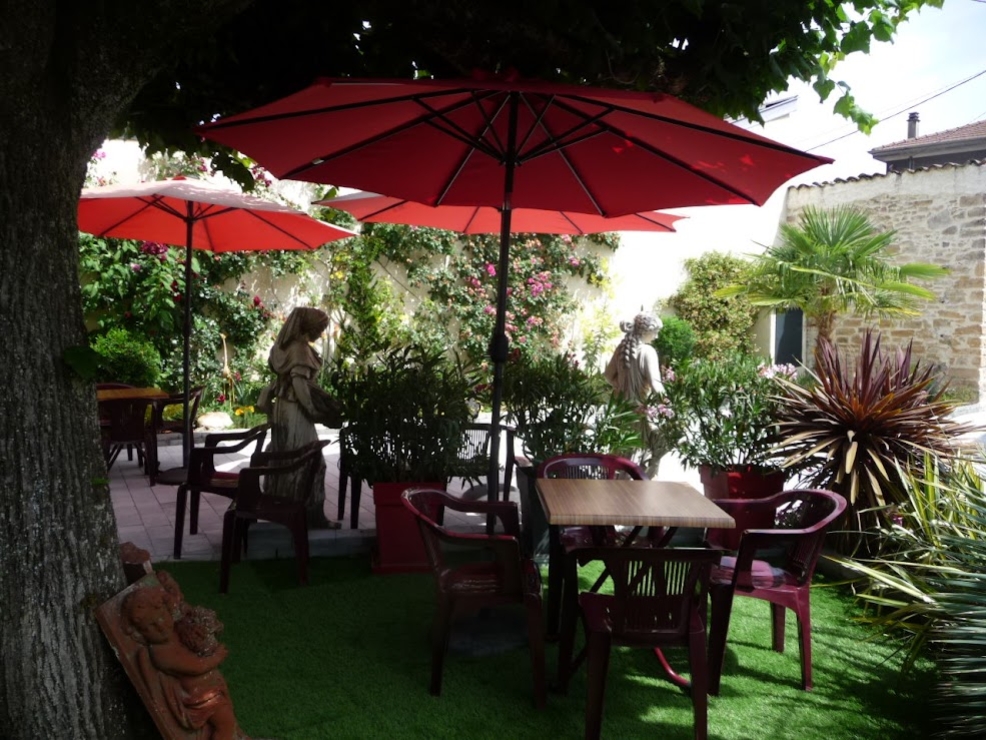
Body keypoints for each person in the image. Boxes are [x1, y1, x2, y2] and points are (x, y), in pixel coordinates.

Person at [122, 585, 243, 740]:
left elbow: (180, 606)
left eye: (162, 616)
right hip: (201, 699)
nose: (161, 626)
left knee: (227, 722)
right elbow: (195, 667)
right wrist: (216, 658)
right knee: (225, 724)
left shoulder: (174, 631)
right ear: (140, 633)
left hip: (210, 688)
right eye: (150, 626)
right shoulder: (161, 654)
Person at [261, 306, 340, 528]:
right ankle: (310, 515)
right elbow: (299, 384)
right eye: (320, 328)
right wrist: (313, 411)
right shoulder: (300, 349)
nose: (321, 333)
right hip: (296, 411)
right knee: (311, 462)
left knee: (286, 460)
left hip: (283, 409)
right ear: (310, 327)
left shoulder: (284, 348)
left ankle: (284, 510)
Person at [603, 312, 668, 477]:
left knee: (621, 453)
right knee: (641, 454)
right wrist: (667, 405)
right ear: (646, 331)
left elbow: (608, 376)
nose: (656, 336)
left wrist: (622, 387)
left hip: (622, 410)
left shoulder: (622, 348)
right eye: (655, 332)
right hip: (640, 411)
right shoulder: (648, 351)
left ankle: (617, 486)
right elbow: (656, 384)